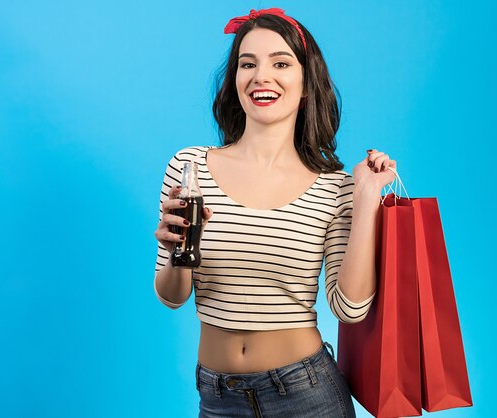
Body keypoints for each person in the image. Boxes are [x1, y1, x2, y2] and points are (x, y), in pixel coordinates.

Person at [153, 8, 397, 418]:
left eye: (280, 63)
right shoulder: (189, 167)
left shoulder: (336, 186)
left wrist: (366, 199)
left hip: (307, 394)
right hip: (217, 397)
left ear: (305, 84)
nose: (261, 75)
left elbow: (349, 309)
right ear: (235, 80)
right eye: (248, 64)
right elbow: (172, 296)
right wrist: (178, 249)